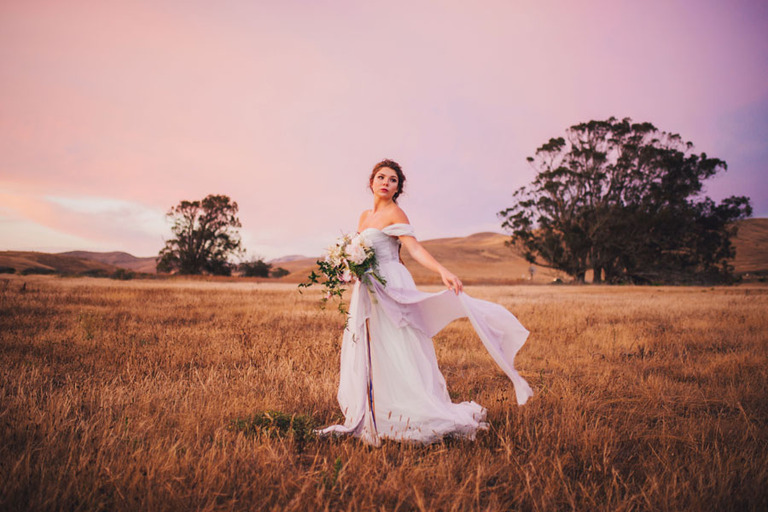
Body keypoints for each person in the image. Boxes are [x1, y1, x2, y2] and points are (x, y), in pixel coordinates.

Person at [317, 159, 532, 446]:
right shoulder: (363, 216)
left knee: (398, 343)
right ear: (371, 182)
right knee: (373, 347)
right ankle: (376, 409)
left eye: (393, 180)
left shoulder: (395, 212)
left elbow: (414, 248)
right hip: (368, 287)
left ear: (398, 188)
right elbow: (358, 249)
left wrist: (442, 271)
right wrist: (349, 270)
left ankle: (411, 409)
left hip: (390, 281)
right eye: (381, 177)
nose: (386, 183)